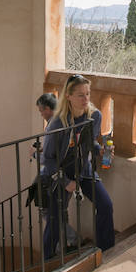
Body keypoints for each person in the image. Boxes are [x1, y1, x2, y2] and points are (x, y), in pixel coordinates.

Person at [41, 74, 114, 258]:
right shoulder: (57, 123)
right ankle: (46, 262)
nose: (86, 99)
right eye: (80, 95)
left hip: (84, 170)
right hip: (61, 173)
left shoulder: (95, 116)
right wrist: (65, 182)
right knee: (55, 218)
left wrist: (99, 150)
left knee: (105, 205)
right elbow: (47, 159)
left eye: (88, 94)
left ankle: (105, 251)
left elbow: (89, 142)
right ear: (68, 96)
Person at [33, 92, 79, 251]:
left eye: (41, 111)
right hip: (62, 176)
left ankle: (69, 242)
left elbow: (50, 159)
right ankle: (64, 246)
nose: (41, 114)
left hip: (56, 177)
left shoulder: (54, 124)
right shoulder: (62, 121)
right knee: (59, 211)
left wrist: (37, 155)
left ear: (47, 108)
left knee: (48, 212)